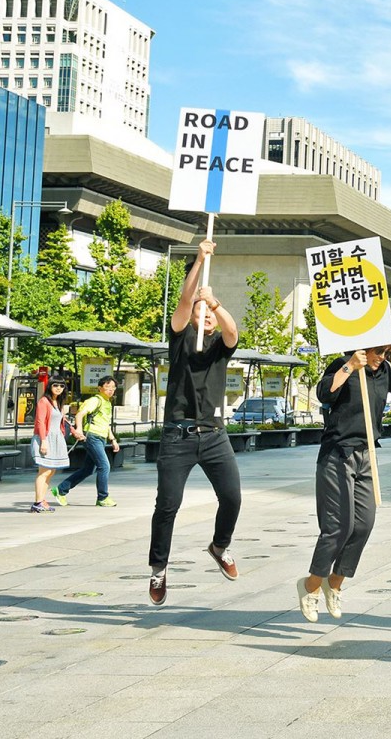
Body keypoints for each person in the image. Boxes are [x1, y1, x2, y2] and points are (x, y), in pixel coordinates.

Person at [296, 343, 391, 623]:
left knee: (364, 523)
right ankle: (311, 586)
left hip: (367, 453)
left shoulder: (383, 372)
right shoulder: (344, 364)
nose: (381, 358)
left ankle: (335, 582)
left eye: (387, 354)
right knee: (337, 527)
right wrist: (351, 366)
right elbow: (324, 393)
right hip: (337, 453)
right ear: (365, 347)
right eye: (379, 352)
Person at [147, 239, 240, 606]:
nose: (206, 316)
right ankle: (159, 570)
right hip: (178, 435)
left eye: (210, 314)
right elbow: (185, 302)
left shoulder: (220, 346)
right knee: (167, 505)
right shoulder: (181, 337)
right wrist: (199, 262)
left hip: (215, 435)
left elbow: (233, 331)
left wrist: (215, 302)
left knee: (232, 497)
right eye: (201, 312)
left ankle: (220, 546)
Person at [52, 376, 121, 507]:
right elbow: (79, 414)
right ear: (100, 388)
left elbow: (105, 423)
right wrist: (79, 430)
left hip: (101, 438)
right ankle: (103, 497)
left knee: (88, 469)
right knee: (104, 466)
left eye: (113, 388)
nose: (111, 390)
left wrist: (113, 439)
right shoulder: (95, 400)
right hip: (92, 437)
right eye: (107, 387)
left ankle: (60, 490)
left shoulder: (107, 402)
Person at [31, 377, 71, 512]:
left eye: (62, 385)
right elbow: (40, 422)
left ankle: (42, 500)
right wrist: (43, 441)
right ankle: (37, 502)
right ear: (50, 386)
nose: (59, 388)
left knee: (51, 471)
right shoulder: (44, 401)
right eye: (55, 385)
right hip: (46, 438)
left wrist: (75, 432)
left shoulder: (58, 402)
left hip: (57, 438)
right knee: (44, 471)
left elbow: (61, 421)